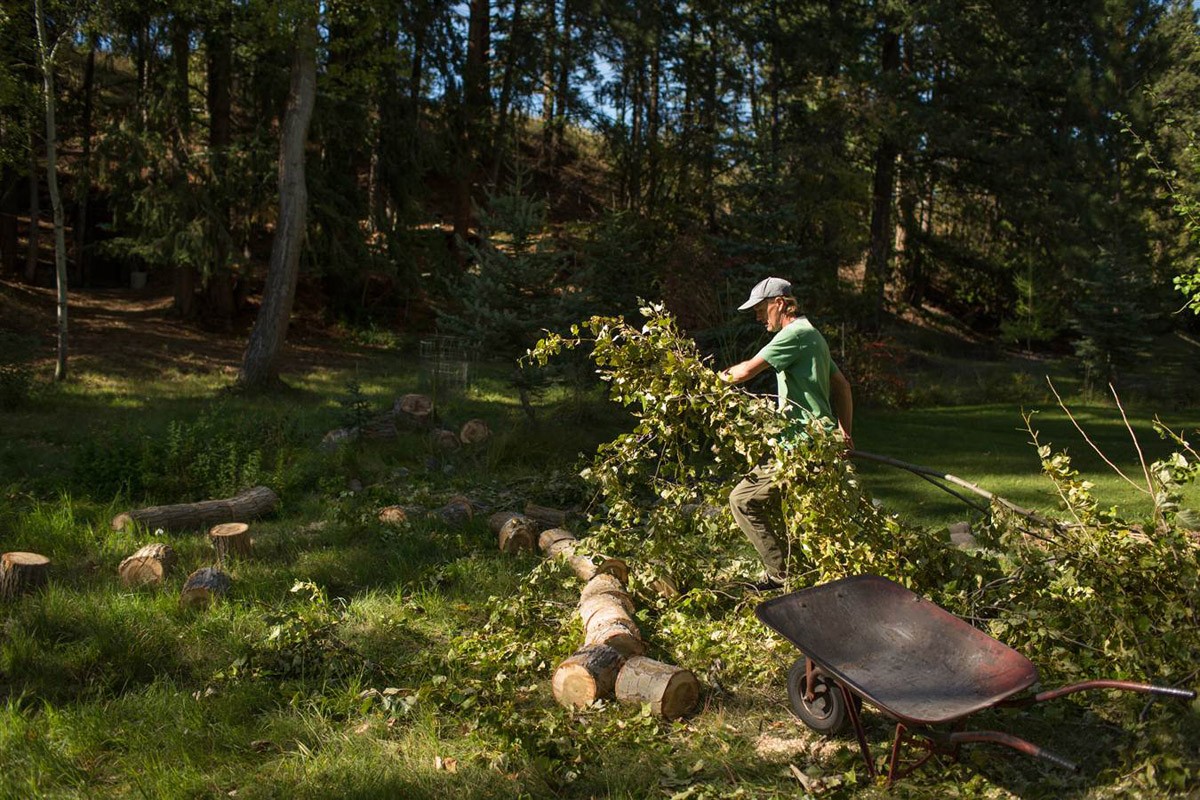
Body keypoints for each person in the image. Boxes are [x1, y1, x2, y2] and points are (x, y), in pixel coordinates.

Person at [720, 277, 853, 588]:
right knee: (804, 515)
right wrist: (845, 433)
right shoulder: (813, 335)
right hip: (819, 441)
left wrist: (705, 380)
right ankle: (812, 575)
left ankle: (780, 574)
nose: (758, 317)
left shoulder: (793, 334)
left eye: (760, 309)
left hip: (802, 442)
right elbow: (843, 386)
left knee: (742, 500)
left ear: (779, 304)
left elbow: (745, 371)